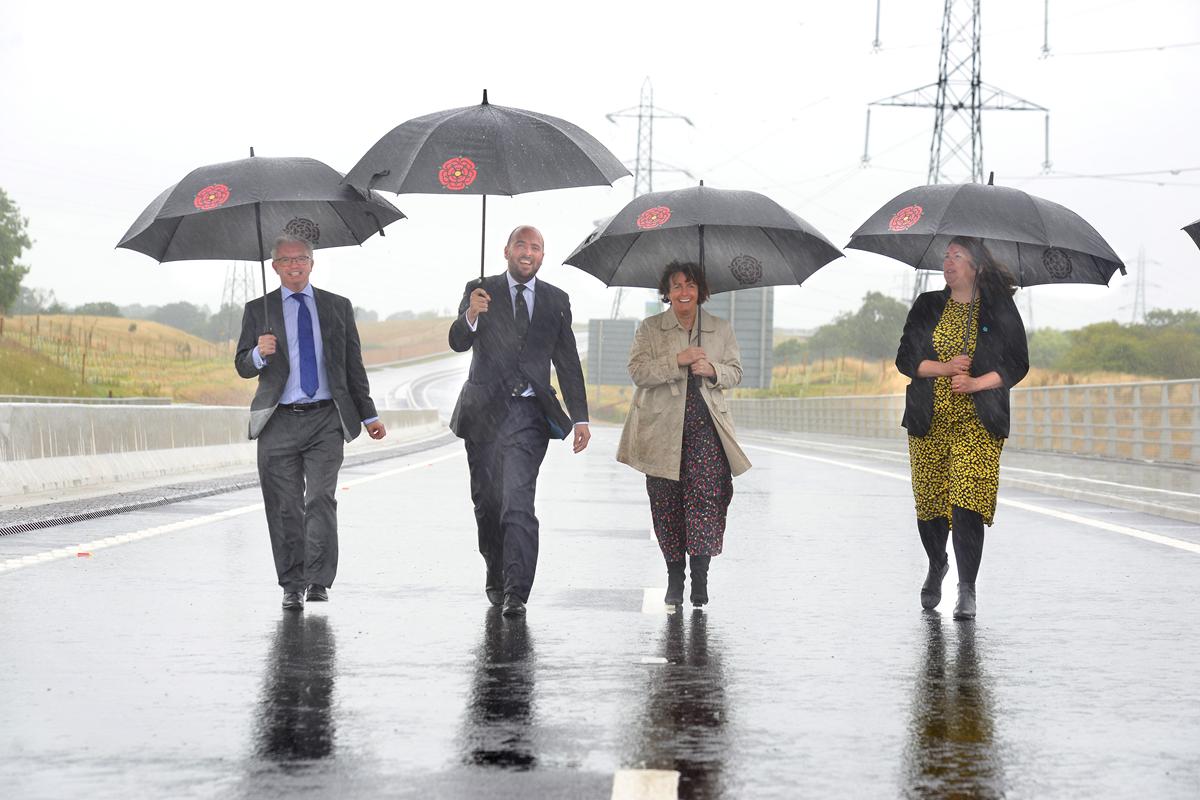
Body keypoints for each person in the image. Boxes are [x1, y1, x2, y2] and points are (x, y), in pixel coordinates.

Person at [235, 235, 386, 610]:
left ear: (312, 263)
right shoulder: (258, 310)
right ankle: (292, 584)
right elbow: (241, 364)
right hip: (277, 421)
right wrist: (258, 353)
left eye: (301, 258)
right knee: (284, 506)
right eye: (286, 261)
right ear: (275, 267)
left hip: (325, 420)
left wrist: (369, 414)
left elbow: (353, 367)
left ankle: (318, 580)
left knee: (319, 497)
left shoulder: (337, 307)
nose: (294, 265)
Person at [448, 225, 590, 618]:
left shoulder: (556, 300)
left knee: (518, 503)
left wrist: (580, 418)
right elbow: (458, 341)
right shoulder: (480, 289)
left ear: (542, 256)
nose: (528, 253)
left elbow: (567, 361)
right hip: (482, 413)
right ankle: (496, 567)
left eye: (536, 248)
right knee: (487, 504)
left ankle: (516, 590)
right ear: (506, 250)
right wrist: (471, 314)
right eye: (521, 246)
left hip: (528, 414)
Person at [896, 236, 1028, 619]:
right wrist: (945, 368)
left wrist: (975, 382)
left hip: (978, 419)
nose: (948, 262)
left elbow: (1018, 363)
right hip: (929, 419)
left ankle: (967, 589)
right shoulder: (928, 305)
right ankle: (937, 563)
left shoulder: (997, 307)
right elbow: (906, 359)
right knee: (931, 506)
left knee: (966, 500)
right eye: (946, 256)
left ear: (977, 267)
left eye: (958, 256)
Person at [616, 262, 752, 608]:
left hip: (707, 430)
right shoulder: (650, 329)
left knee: (706, 501)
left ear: (700, 291)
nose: (684, 292)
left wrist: (713, 369)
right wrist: (677, 359)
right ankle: (675, 578)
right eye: (676, 286)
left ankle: (700, 578)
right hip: (661, 430)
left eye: (690, 285)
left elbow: (735, 371)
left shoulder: (721, 329)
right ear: (667, 292)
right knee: (667, 506)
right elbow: (637, 372)